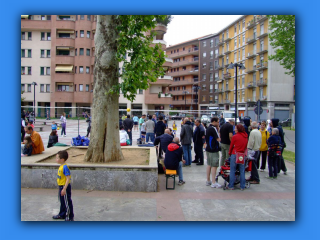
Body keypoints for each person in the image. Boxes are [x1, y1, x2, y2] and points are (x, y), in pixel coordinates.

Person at [52, 150, 74, 221]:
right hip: (61, 186)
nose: (56, 159)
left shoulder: (65, 167)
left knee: (67, 202)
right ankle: (62, 214)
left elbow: (68, 178)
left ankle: (69, 217)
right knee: (62, 201)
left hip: (64, 187)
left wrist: (64, 188)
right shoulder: (61, 166)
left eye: (57, 158)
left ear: (62, 159)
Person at [228, 124, 248, 190]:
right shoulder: (245, 136)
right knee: (242, 170)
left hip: (235, 153)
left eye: (235, 128)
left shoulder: (235, 137)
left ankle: (231, 185)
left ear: (238, 129)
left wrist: (229, 153)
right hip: (241, 155)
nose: (234, 130)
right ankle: (242, 185)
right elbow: (245, 147)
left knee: (232, 170)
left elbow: (231, 146)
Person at [205, 117, 222, 188]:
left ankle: (208, 180)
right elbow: (218, 138)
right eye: (218, 122)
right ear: (214, 122)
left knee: (209, 164)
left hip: (208, 148)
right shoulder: (213, 128)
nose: (218, 123)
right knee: (214, 165)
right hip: (213, 149)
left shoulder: (208, 128)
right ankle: (214, 182)